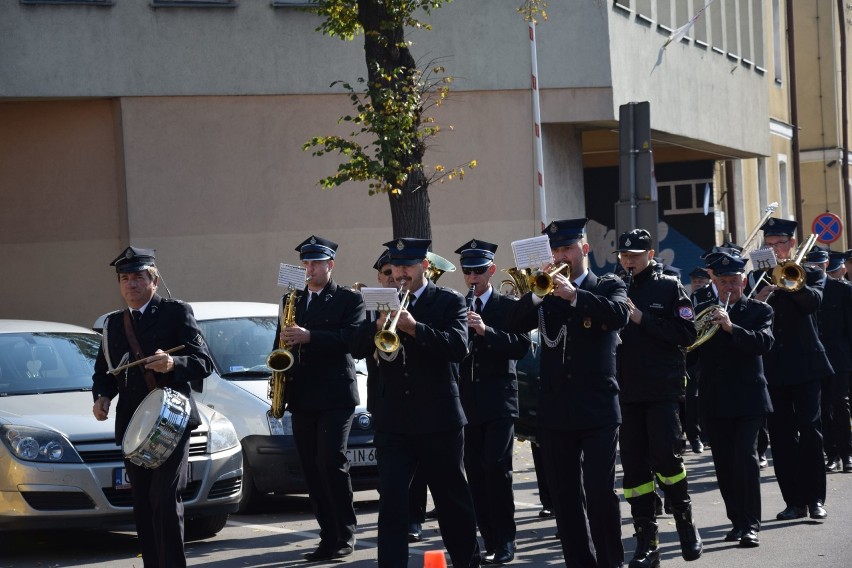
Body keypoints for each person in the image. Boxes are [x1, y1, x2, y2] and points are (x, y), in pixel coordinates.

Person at [505, 218, 629, 568]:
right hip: (557, 409)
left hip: (598, 407)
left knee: (600, 490)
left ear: (584, 249)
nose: (561, 255)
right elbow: (512, 322)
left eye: (567, 249)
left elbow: (619, 314)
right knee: (565, 497)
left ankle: (610, 561)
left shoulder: (606, 284)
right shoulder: (543, 295)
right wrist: (536, 292)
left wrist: (575, 297)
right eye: (556, 250)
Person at [350, 238, 481, 568]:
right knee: (393, 502)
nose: (400, 274)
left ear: (424, 265)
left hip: (439, 420)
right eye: (396, 268)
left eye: (407, 266)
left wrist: (413, 327)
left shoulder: (449, 301)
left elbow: (457, 347)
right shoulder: (380, 302)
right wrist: (375, 329)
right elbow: (355, 347)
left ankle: (467, 561)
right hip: (394, 420)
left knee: (452, 500)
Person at [92, 246, 214, 568]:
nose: (131, 284)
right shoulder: (113, 324)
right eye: (125, 278)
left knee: (163, 498)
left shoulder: (176, 313)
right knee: (143, 503)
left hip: (171, 421)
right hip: (135, 425)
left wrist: (173, 363)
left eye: (138, 277)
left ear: (154, 280)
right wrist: (102, 397)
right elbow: (104, 372)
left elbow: (204, 363)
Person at [274, 235, 365, 560]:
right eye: (306, 264)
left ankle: (346, 532)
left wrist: (311, 336)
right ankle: (328, 536)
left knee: (331, 461)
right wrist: (277, 382)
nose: (310, 269)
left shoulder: (348, 299)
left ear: (330, 265)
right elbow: (280, 343)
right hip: (302, 395)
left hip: (335, 394)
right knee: (311, 468)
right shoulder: (291, 300)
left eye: (316, 263)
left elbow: (351, 339)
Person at [615, 228, 702, 567]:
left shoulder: (669, 287)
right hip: (626, 392)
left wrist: (641, 318)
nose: (628, 261)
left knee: (666, 458)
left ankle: (684, 520)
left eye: (634, 256)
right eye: (624, 256)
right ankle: (646, 541)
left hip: (662, 390)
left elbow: (687, 333)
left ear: (650, 256)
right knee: (634, 471)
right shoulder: (616, 288)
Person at [750, 218, 833, 521]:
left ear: (792, 244)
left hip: (807, 364)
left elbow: (813, 303)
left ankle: (816, 500)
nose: (775, 249)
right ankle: (794, 502)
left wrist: (789, 283)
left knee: (810, 431)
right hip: (773, 368)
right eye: (769, 244)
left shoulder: (811, 273)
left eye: (780, 243)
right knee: (782, 437)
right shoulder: (756, 277)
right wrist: (761, 293)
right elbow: (748, 313)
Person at [455, 239, 531, 564]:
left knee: (497, 468)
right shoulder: (457, 306)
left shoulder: (507, 305)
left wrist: (486, 331)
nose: (472, 276)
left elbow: (521, 346)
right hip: (468, 402)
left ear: (491, 270)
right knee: (474, 471)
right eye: (467, 270)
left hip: (500, 399)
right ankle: (488, 537)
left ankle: (506, 539)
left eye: (478, 270)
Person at [691, 252, 773, 547]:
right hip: (715, 398)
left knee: (745, 457)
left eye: (735, 281)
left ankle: (751, 523)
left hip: (750, 397)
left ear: (743, 280)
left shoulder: (758, 310)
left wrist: (730, 327)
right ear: (714, 281)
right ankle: (737, 520)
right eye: (723, 282)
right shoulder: (703, 309)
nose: (730, 287)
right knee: (724, 463)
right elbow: (691, 349)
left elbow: (763, 343)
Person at [365, 249, 430, 543]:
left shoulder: (419, 304)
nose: (394, 278)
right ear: (380, 277)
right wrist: (377, 327)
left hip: (422, 403)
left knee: (419, 473)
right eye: (388, 274)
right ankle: (399, 521)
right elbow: (356, 347)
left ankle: (415, 518)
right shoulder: (371, 306)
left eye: (398, 272)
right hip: (384, 400)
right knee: (390, 476)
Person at [806, 249, 852, 474]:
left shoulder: (842, 289)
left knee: (840, 404)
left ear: (827, 264)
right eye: (812, 266)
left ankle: (848, 454)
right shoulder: (803, 290)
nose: (817, 269)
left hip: (839, 358)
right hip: (815, 359)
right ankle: (831, 454)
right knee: (822, 409)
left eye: (820, 265)